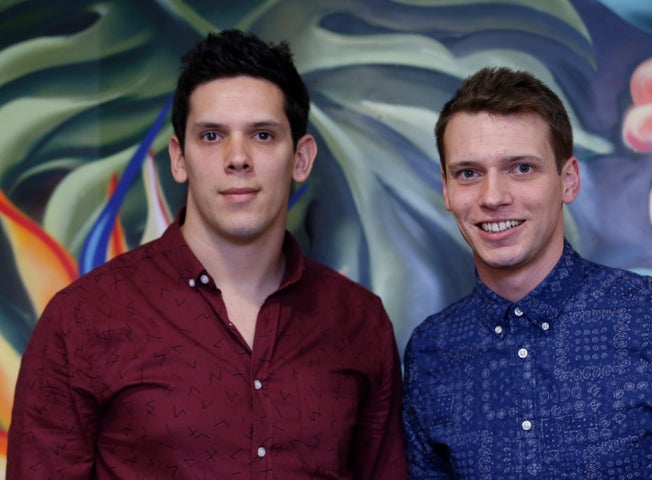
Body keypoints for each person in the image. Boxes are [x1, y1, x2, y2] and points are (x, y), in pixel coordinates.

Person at [7, 29, 407, 479]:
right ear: (179, 158)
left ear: (301, 158)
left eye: (262, 134)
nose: (237, 158)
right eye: (212, 136)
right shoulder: (82, 319)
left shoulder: (358, 321)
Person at [402, 66, 652, 479]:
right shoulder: (432, 352)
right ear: (446, 190)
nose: (493, 197)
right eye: (469, 173)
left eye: (521, 168)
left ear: (568, 181)